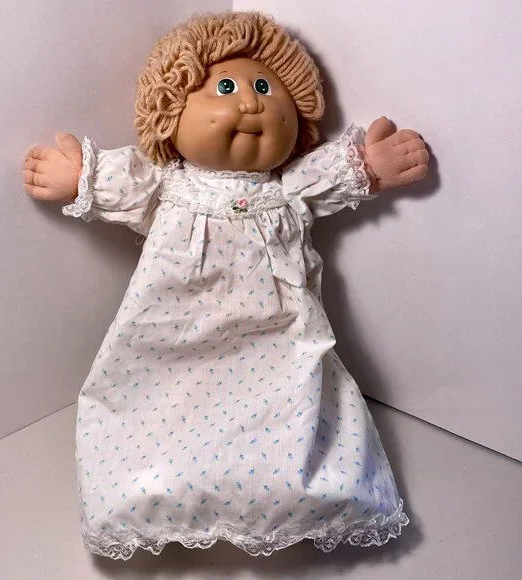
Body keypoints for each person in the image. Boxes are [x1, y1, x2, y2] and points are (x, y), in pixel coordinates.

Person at [23, 11, 428, 559]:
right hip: (169, 341)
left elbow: (335, 175)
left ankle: (291, 491)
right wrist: (78, 178)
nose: (251, 104)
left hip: (278, 344)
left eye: (265, 88)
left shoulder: (288, 190)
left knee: (297, 411)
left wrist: (371, 166)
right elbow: (120, 185)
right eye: (227, 88)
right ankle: (147, 492)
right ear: (170, 113)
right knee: (147, 415)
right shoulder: (165, 187)